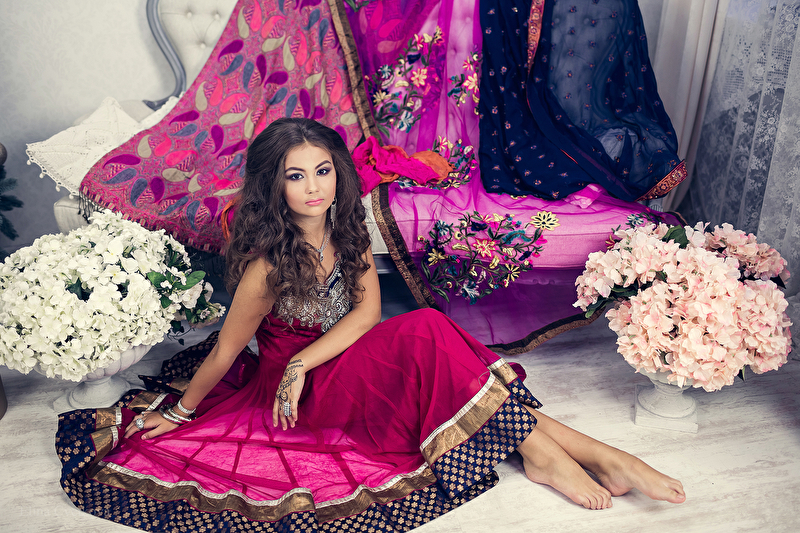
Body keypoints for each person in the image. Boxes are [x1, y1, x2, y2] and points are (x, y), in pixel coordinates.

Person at [57, 118, 685, 532]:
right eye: (295, 176)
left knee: (428, 334)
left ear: (338, 172)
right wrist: (183, 413)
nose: (313, 187)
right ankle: (576, 453)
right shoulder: (267, 265)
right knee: (430, 333)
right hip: (299, 396)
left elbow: (364, 313)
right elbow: (224, 352)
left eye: (322, 170)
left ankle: (567, 454)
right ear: (273, 187)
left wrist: (306, 358)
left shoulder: (346, 225)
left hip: (326, 364)